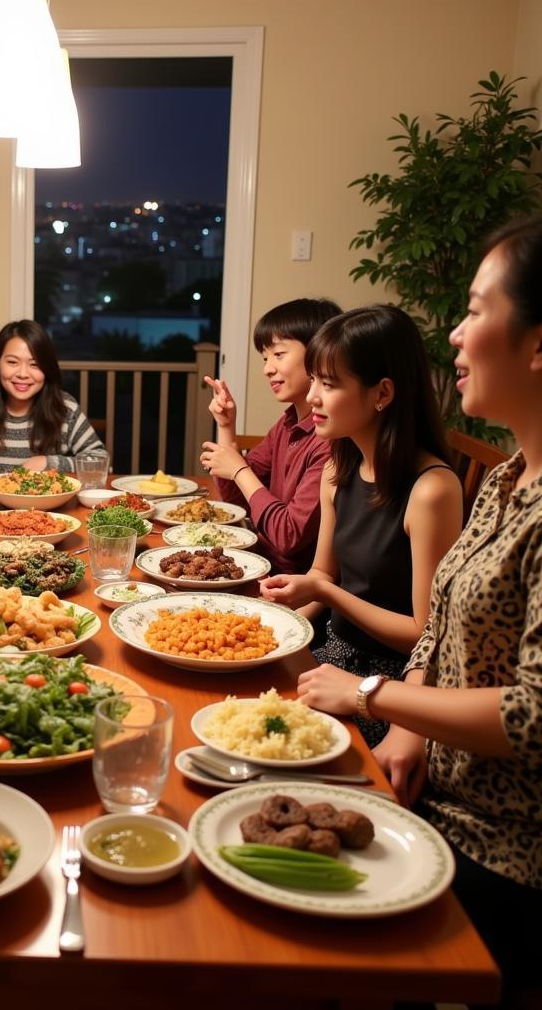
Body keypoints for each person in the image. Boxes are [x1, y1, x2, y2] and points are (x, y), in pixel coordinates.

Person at [297, 218, 542, 1001]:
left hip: (497, 844)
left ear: (538, 343)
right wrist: (407, 725)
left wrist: (375, 697)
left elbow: (535, 715)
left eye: (476, 310)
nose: (458, 336)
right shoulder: (508, 480)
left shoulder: (449, 485)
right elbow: (437, 626)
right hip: (429, 775)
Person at [259, 304, 464, 746]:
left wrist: (327, 594)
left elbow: (424, 635)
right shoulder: (340, 467)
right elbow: (321, 575)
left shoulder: (431, 490)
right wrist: (270, 621)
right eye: (312, 379)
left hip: (393, 683)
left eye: (328, 384)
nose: (311, 396)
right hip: (331, 651)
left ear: (382, 394)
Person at [200, 298, 340, 574]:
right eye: (265, 358)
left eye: (278, 354)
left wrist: (239, 469)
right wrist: (227, 427)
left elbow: (289, 537)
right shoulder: (287, 423)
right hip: (258, 562)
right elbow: (238, 503)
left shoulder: (330, 439)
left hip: (289, 583)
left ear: (320, 352)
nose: (267, 369)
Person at [0, 319, 107, 487]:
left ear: (47, 369)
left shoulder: (65, 408)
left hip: (49, 510)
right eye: (12, 362)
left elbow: (100, 461)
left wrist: (49, 463)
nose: (22, 374)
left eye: (34, 364)